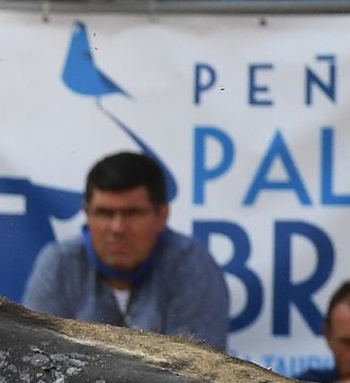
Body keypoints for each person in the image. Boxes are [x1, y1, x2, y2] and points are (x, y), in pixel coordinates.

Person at [25, 148, 229, 347]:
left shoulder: (192, 265)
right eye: (105, 213)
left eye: (133, 213)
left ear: (162, 216)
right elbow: (35, 357)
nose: (118, 228)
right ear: (87, 213)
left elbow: (200, 373)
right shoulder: (58, 264)